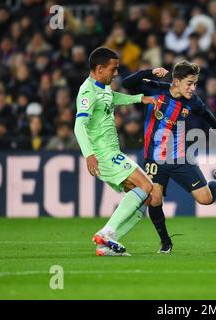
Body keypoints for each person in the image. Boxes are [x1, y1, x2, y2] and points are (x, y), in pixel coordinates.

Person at [122, 60, 216, 253]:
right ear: (176, 81)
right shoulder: (154, 90)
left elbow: (204, 112)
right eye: (189, 83)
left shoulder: (192, 100)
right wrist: (151, 71)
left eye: (195, 83)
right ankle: (166, 242)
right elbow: (127, 83)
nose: (193, 88)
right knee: (154, 199)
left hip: (179, 158)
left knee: (205, 200)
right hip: (154, 159)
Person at [74, 47, 157, 257]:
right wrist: (89, 155)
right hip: (103, 154)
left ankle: (106, 245)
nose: (117, 73)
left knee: (147, 197)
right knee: (147, 185)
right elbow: (79, 125)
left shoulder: (103, 87)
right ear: (100, 68)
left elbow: (113, 98)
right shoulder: (88, 92)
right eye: (114, 69)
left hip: (111, 152)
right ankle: (107, 232)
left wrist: (140, 99)